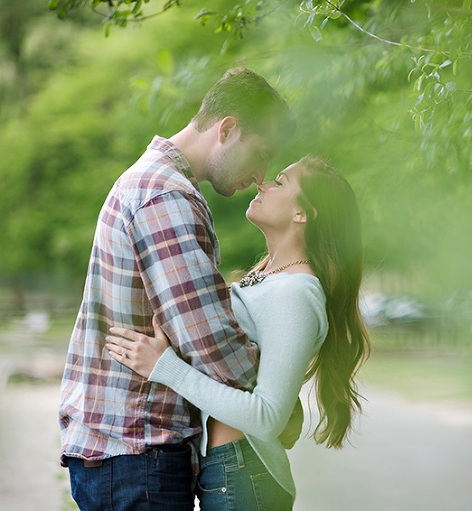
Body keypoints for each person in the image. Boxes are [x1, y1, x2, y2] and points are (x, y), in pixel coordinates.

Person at [59, 67, 298, 511]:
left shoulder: (154, 182)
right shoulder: (166, 194)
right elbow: (206, 334)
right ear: (227, 129)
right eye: (260, 153)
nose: (261, 174)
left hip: (124, 450)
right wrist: (277, 406)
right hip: (136, 446)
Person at [105, 156, 370, 510]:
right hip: (230, 470)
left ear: (302, 214)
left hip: (243, 474)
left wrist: (164, 367)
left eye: (280, 181)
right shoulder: (269, 278)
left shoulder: (296, 293)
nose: (263, 183)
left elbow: (266, 417)